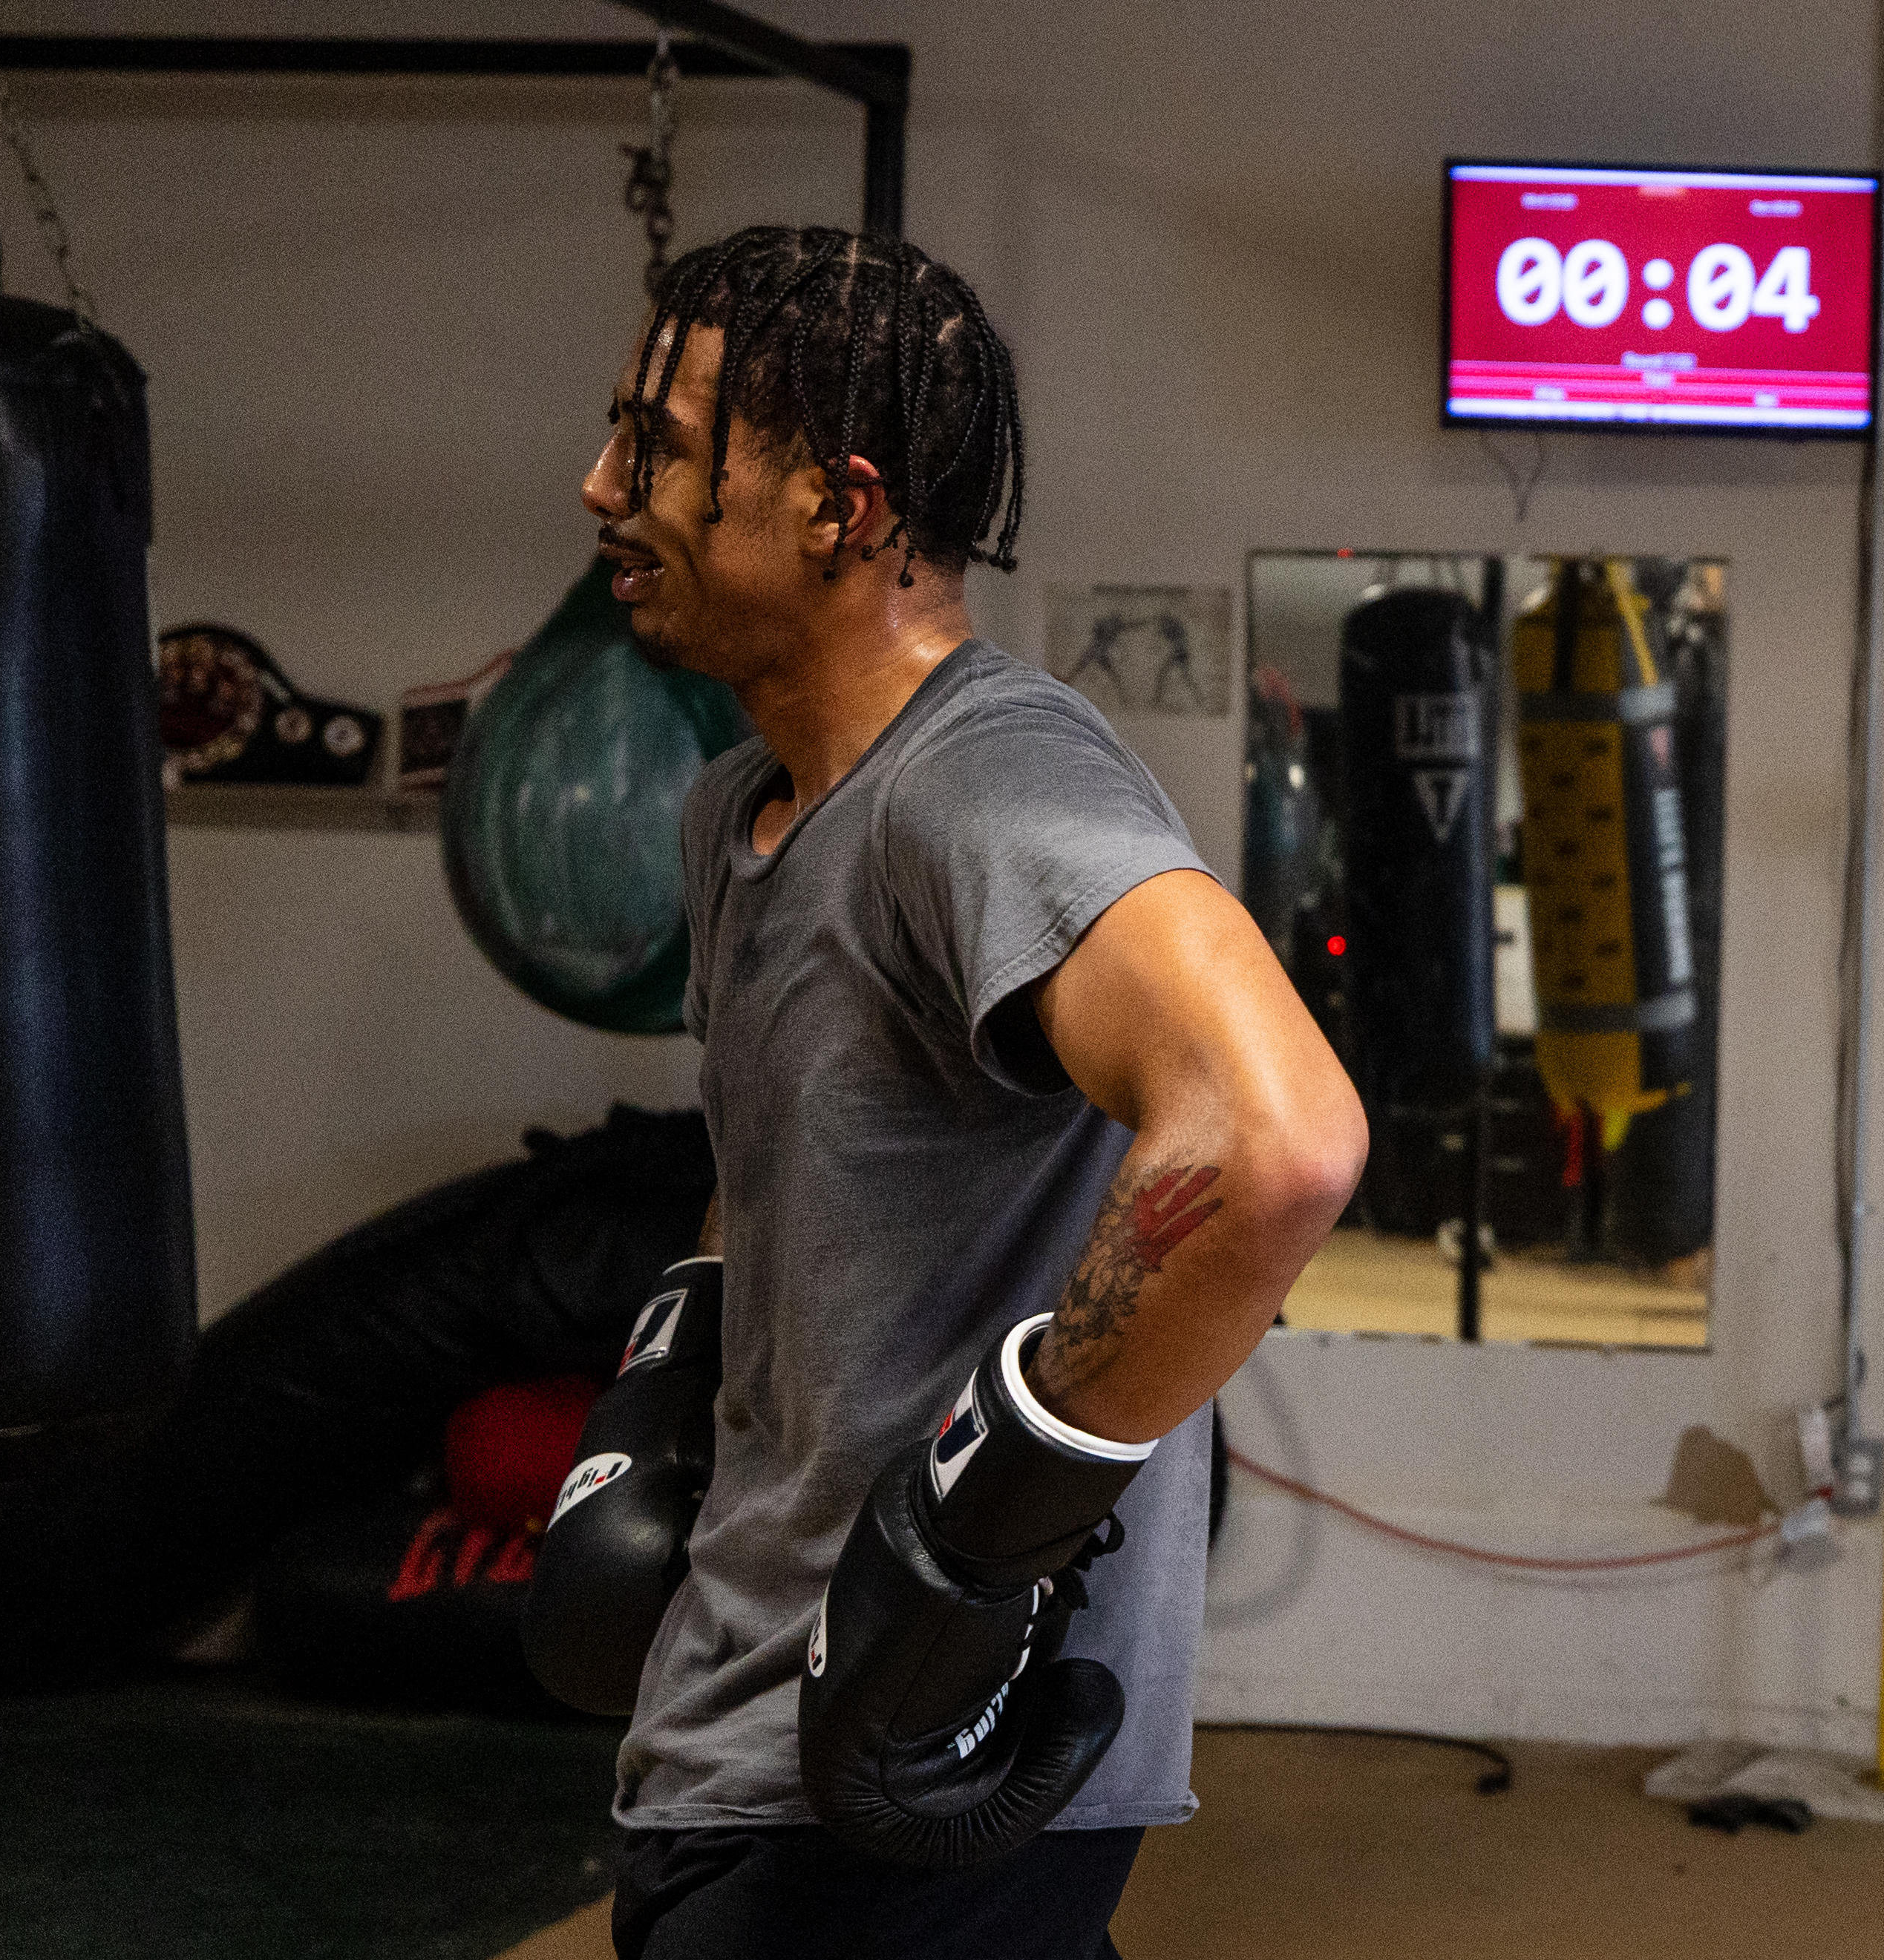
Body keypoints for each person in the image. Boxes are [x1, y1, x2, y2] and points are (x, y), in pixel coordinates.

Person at [575, 226, 1367, 1959]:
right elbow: (778, 1143)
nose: (597, 485)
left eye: (657, 447)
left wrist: (968, 1559)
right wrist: (671, 1366)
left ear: (838, 508)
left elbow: (1275, 1138)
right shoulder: (746, 810)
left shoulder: (991, 787)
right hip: (736, 1712)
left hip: (891, 1767)